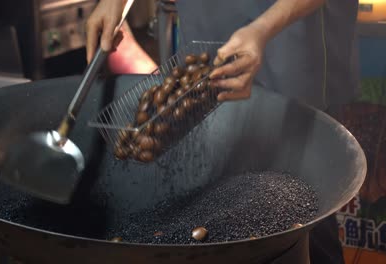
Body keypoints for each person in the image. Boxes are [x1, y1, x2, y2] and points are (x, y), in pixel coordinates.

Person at [86, 0, 359, 263]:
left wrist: (261, 30)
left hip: (288, 39)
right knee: (213, 187)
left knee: (301, 207)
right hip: (207, 30)